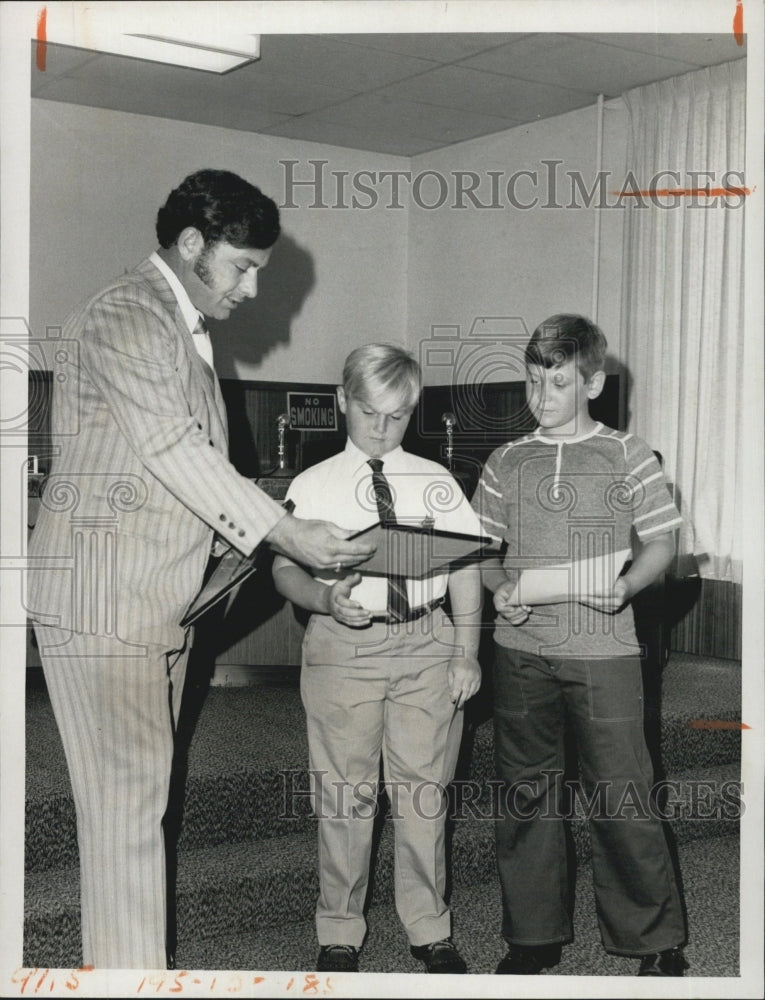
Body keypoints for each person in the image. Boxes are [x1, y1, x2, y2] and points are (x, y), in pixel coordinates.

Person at [26, 168, 374, 970]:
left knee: (139, 818)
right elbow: (172, 450)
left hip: (158, 605)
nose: (252, 289)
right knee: (125, 826)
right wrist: (286, 533)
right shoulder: (128, 312)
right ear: (191, 245)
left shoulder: (177, 327)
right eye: (243, 265)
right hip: (105, 605)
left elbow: (182, 473)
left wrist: (279, 533)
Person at [471, 314, 688, 977]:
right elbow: (483, 551)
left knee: (621, 793)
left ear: (591, 380)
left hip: (605, 654)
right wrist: (499, 587)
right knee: (526, 796)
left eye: (558, 383)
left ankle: (652, 940)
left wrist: (624, 587)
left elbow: (661, 544)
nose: (540, 397)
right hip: (520, 652)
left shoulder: (628, 454)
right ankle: (532, 937)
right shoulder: (505, 460)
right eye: (533, 381)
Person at [272, 343, 483, 974]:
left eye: (395, 416)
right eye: (368, 412)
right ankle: (339, 928)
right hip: (344, 647)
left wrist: (466, 653)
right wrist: (322, 599)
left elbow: (467, 569)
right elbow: (283, 568)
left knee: (424, 793)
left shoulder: (437, 481)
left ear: (412, 411)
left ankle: (428, 926)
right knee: (343, 792)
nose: (381, 429)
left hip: (427, 643)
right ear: (342, 402)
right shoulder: (311, 484)